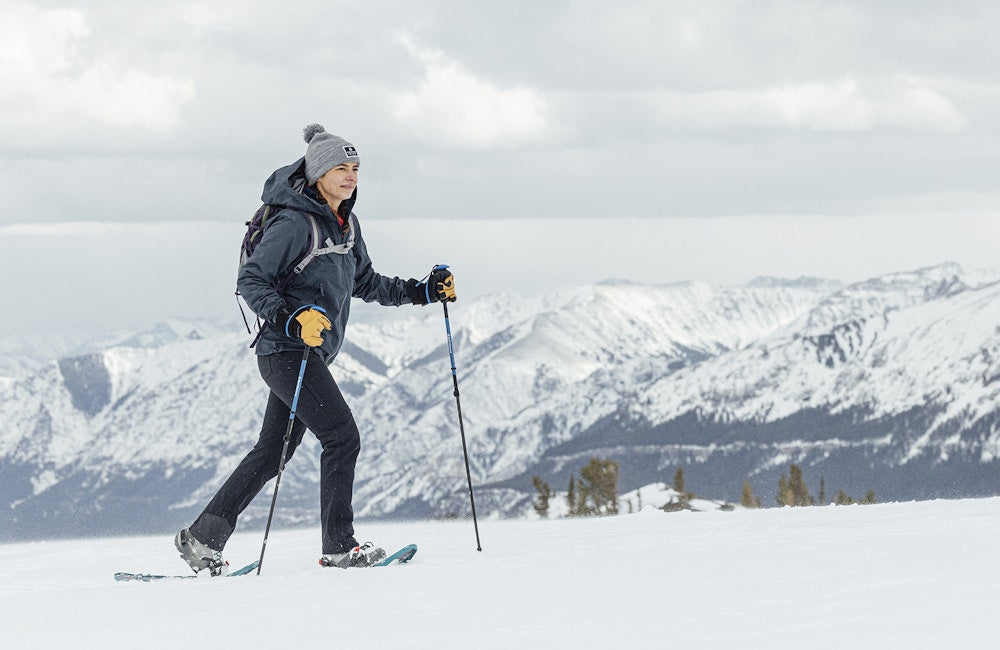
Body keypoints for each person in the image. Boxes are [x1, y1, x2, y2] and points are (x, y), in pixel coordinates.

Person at [175, 124, 455, 573]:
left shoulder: (346, 222)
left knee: (272, 451)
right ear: (319, 172)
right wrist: (292, 318)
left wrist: (424, 291)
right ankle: (340, 546)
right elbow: (251, 280)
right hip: (285, 350)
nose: (350, 176)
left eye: (356, 168)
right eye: (341, 168)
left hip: (306, 354)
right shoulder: (294, 223)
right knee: (342, 437)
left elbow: (365, 282)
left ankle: (202, 538)